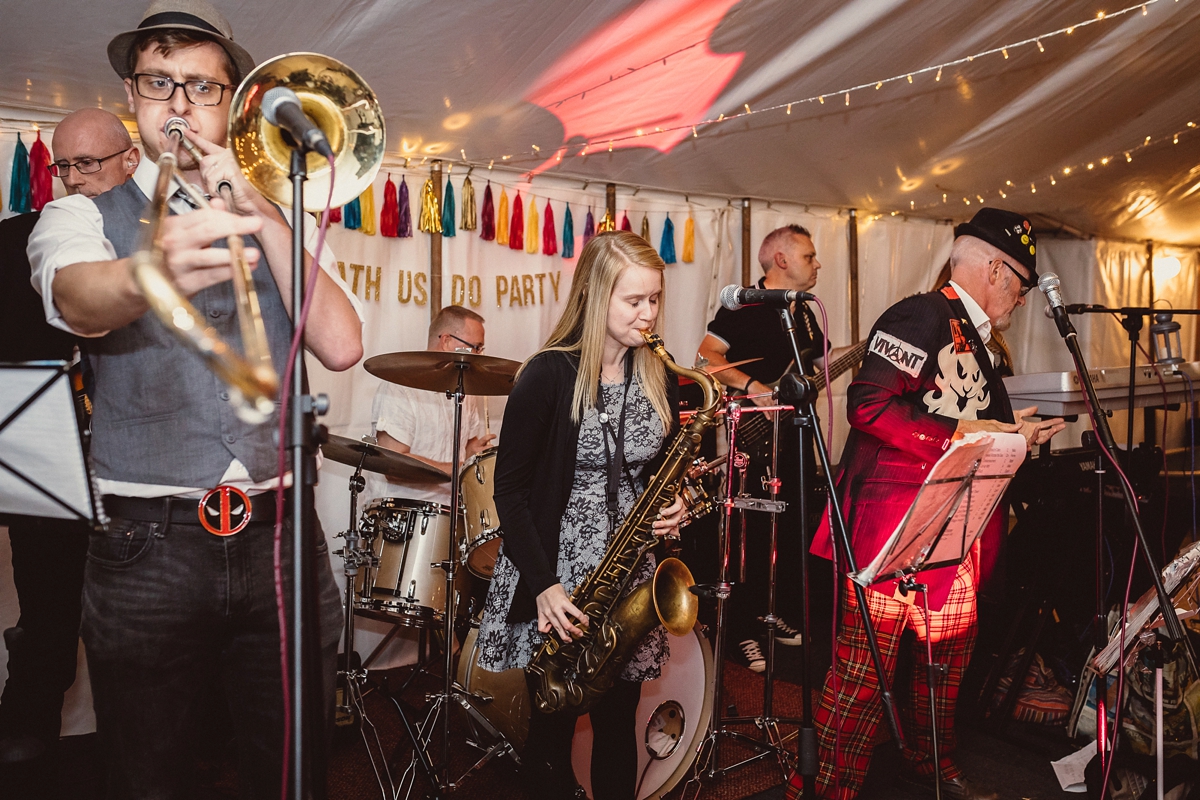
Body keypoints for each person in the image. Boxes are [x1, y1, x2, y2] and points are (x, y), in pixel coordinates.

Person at [26, 1, 363, 796]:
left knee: (291, 770)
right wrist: (149, 271)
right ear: (132, 97)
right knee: (149, 773)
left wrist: (267, 216)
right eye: (160, 82)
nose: (180, 102)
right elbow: (77, 298)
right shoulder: (80, 212)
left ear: (230, 102)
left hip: (280, 540)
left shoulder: (276, 206)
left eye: (202, 88)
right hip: (149, 545)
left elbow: (343, 345)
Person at [786, 208, 1065, 800]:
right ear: (995, 269)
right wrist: (968, 436)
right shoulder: (920, 313)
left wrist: (1006, 432)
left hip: (950, 531)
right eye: (1018, 284)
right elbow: (868, 404)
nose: (1018, 301)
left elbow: (953, 414)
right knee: (863, 677)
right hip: (892, 532)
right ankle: (823, 790)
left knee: (946, 664)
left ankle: (931, 763)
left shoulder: (973, 334)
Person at [474, 231, 687, 800]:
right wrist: (543, 585)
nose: (649, 315)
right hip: (558, 570)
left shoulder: (656, 374)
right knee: (553, 727)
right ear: (595, 297)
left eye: (655, 300)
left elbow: (661, 466)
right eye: (634, 301)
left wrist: (677, 504)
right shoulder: (546, 374)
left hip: (629, 570)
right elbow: (511, 491)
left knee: (620, 721)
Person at [0, 108, 138, 765]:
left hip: (140, 477)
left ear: (131, 161)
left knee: (139, 637)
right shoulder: (13, 241)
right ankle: (25, 745)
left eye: (93, 164)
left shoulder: (158, 239)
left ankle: (138, 760)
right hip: (44, 470)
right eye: (66, 166)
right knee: (48, 624)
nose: (77, 178)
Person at [694, 224, 847, 672]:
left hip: (797, 434)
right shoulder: (743, 306)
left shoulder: (801, 312)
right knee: (750, 535)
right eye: (809, 256)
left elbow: (824, 365)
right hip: (756, 441)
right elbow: (706, 358)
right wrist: (757, 389)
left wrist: (876, 348)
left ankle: (766, 611)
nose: (817, 265)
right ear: (781, 259)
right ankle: (740, 629)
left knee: (790, 531)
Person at [370, 305, 495, 502]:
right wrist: (458, 469)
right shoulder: (400, 386)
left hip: (451, 512)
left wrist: (476, 457)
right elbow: (392, 465)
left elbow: (467, 447)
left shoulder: (467, 388)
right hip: (402, 514)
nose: (479, 355)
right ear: (446, 341)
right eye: (476, 347)